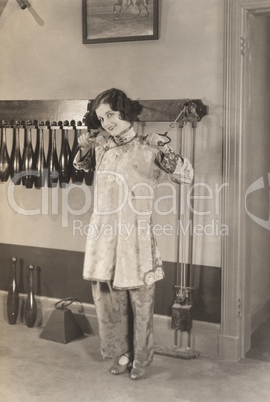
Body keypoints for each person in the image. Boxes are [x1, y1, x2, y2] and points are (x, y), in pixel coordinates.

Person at [74, 88, 193, 380]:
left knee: (140, 302)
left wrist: (164, 147)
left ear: (125, 112)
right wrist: (86, 146)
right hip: (104, 235)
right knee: (111, 301)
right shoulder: (102, 147)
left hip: (135, 236)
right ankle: (122, 353)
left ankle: (141, 358)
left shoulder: (148, 147)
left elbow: (186, 176)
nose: (107, 122)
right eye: (102, 118)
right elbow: (80, 165)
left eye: (111, 114)